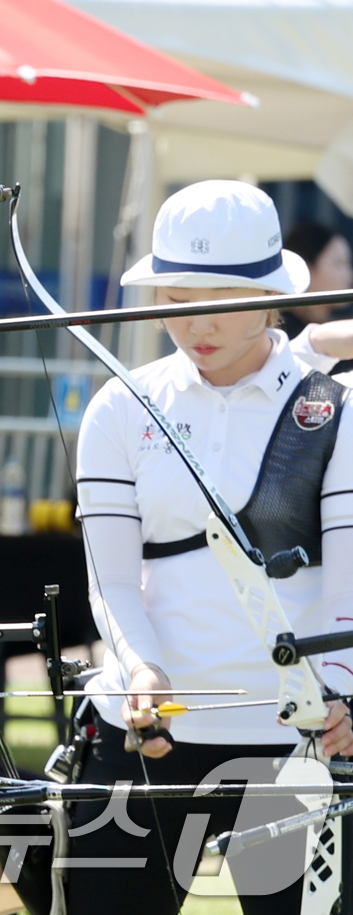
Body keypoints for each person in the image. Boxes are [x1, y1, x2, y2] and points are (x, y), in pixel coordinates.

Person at [67, 180, 353, 914]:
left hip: (298, 738)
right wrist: (141, 669)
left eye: (220, 299)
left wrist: (340, 689)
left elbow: (348, 583)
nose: (196, 323)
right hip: (147, 733)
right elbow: (112, 580)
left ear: (272, 295)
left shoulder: (334, 407)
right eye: (175, 299)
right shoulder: (120, 405)